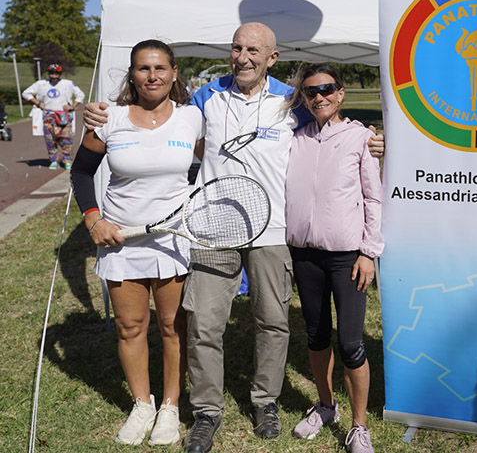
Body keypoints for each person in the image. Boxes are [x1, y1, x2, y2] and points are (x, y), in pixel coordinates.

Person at [84, 22, 383, 453]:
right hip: (212, 231)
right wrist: (101, 114)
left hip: (272, 232)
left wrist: (371, 141)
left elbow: (327, 126)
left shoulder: (291, 101)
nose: (243, 57)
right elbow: (158, 111)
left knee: (273, 322)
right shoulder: (205, 97)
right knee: (203, 324)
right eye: (237, 48)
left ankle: (265, 401)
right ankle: (207, 410)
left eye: (253, 51)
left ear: (272, 58)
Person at [70, 40, 201, 446]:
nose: (152, 76)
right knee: (130, 327)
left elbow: (210, 162)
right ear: (132, 74)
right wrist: (94, 220)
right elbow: (81, 172)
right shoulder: (109, 118)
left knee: (173, 327)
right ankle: (142, 404)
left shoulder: (192, 117)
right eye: (143, 68)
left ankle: (171, 405)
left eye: (160, 68)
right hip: (121, 241)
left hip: (172, 240)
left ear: (174, 73)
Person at [283, 64, 382, 453]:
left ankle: (359, 426)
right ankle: (326, 406)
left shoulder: (360, 138)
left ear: (341, 93)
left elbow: (373, 198)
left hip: (347, 258)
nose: (319, 97)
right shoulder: (296, 138)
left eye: (326, 89)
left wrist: (368, 252)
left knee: (351, 344)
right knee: (316, 335)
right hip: (305, 255)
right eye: (310, 92)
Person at [23, 63, 85, 169]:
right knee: (50, 139)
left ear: (60, 74)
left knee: (66, 139)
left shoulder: (67, 84)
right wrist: (38, 103)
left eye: (56, 73)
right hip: (48, 115)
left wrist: (72, 106)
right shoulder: (41, 84)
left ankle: (67, 160)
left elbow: (80, 95)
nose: (54, 76)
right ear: (48, 73)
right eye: (52, 73)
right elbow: (26, 93)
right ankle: (54, 160)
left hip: (64, 115)